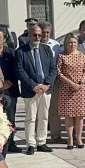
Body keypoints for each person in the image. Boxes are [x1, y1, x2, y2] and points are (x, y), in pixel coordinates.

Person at [17, 23, 56, 155]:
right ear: (29, 35)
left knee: (44, 117)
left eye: (40, 35)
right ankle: (30, 144)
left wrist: (47, 84)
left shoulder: (47, 49)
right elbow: (20, 71)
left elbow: (53, 69)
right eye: (35, 35)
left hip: (45, 89)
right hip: (31, 90)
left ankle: (41, 142)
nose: (38, 37)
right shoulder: (21, 51)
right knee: (30, 118)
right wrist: (33, 85)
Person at [56, 34, 85, 150]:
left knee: (80, 115)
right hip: (67, 89)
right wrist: (71, 84)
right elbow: (59, 73)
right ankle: (70, 138)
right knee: (69, 115)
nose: (72, 45)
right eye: (70, 42)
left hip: (80, 89)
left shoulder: (81, 55)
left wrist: (81, 82)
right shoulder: (62, 56)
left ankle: (79, 138)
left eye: (74, 42)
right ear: (66, 44)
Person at [0, 27, 21, 153]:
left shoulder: (12, 53)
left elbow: (18, 70)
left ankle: (11, 143)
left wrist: (8, 82)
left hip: (10, 90)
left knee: (10, 119)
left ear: (4, 39)